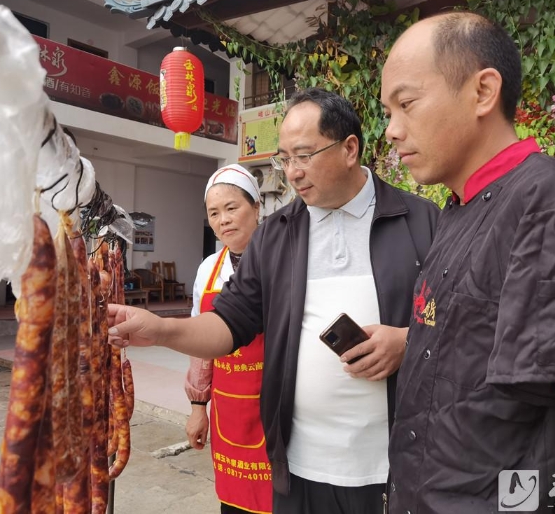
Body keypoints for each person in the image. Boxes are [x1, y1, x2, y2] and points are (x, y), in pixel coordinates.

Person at [108, 88, 439, 514]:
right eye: (284, 158)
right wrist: (160, 329)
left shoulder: (420, 222)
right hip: (298, 470)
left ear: (350, 148)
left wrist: (408, 343)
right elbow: (229, 322)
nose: (292, 172)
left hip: (393, 469)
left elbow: (461, 323)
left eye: (304, 155)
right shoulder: (277, 234)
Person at [380, 11, 555, 513]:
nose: (392, 130)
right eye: (388, 111)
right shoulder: (459, 209)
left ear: (482, 92)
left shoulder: (554, 208)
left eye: (406, 104)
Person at [184, 164, 271, 513]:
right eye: (214, 213)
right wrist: (196, 408)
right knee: (233, 504)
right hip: (228, 409)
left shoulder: (284, 258)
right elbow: (200, 345)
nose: (224, 220)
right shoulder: (208, 269)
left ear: (257, 207)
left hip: (274, 405)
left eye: (232, 208)